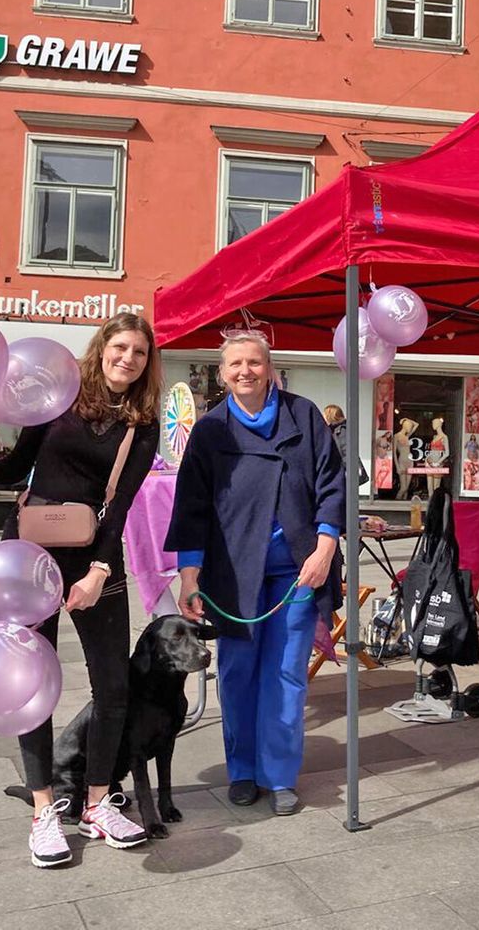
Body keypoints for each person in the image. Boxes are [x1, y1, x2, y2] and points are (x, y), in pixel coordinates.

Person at [0, 314, 161, 868]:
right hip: (29, 554)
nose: (128, 359)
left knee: (113, 684)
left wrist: (97, 571)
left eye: (139, 352)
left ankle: (96, 803)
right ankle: (44, 808)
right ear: (102, 349)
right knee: (29, 682)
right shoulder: (60, 396)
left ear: (147, 362)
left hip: (94, 555)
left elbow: (120, 508)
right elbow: (18, 465)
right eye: (120, 347)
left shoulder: (144, 422)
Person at [167, 331, 345, 815]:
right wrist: (190, 574)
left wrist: (325, 546)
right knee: (238, 673)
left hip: (298, 571)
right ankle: (243, 770)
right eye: (235, 364)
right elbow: (192, 506)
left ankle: (281, 775)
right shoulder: (210, 430)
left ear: (269, 368)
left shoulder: (302, 415)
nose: (245, 370)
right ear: (222, 374)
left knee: (287, 675)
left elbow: (332, 482)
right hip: (233, 575)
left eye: (254, 362)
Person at [322, 404, 368, 485]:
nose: (323, 418)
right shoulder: (333, 431)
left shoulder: (341, 431)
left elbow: (346, 452)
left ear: (330, 416)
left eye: (324, 415)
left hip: (342, 473)